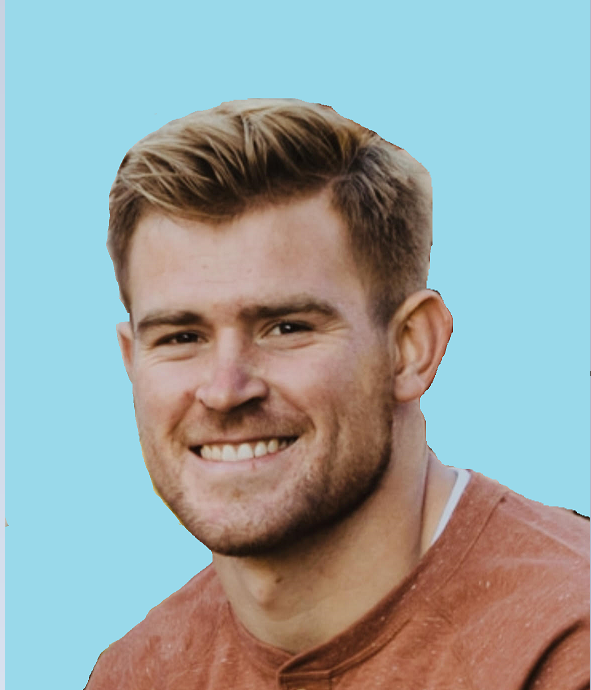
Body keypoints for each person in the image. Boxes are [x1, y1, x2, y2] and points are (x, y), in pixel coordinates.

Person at [86, 99, 589, 689]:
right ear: (132, 361)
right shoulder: (138, 673)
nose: (224, 391)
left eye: (286, 328)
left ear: (411, 347)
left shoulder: (562, 647)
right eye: (181, 337)